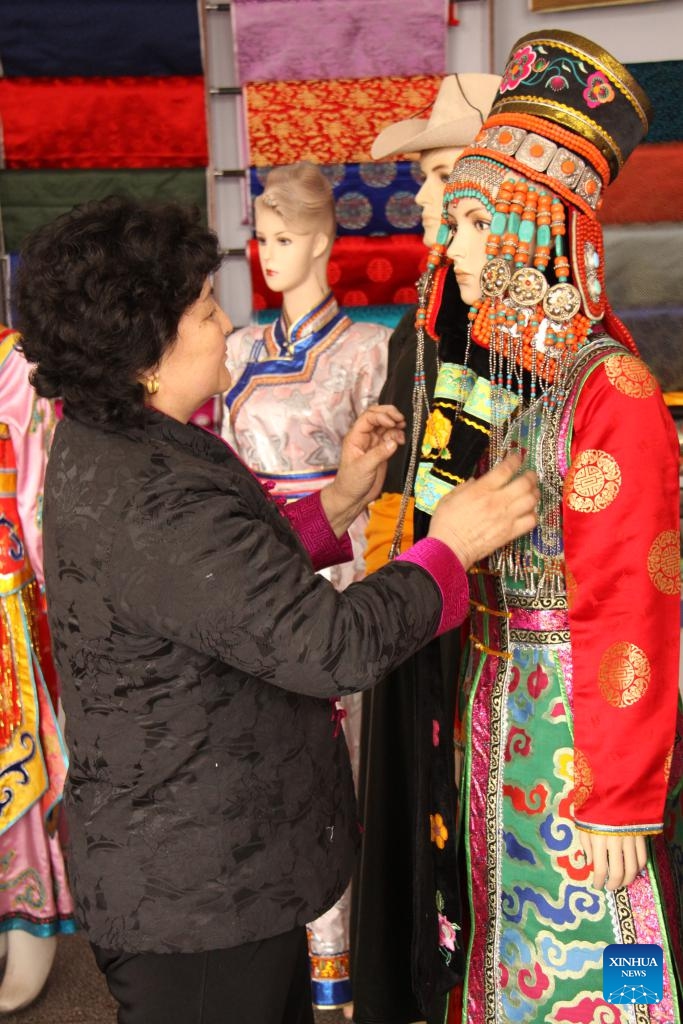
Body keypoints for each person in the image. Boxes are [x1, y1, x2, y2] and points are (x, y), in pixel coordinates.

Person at [13, 194, 538, 1024]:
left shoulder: (115, 441)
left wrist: (334, 503)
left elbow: (212, 590)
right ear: (146, 349)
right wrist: (451, 549)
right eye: (206, 308)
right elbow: (329, 645)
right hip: (196, 895)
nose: (227, 324)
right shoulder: (150, 492)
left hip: (197, 871)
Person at [406, 29, 682, 1022]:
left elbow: (635, 604)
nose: (456, 249)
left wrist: (619, 789)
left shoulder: (611, 391)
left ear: (531, 233)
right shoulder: (500, 375)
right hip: (498, 698)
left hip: (578, 729)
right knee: (503, 931)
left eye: (480, 227)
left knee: (608, 940)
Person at [221, 160, 391, 1014]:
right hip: (255, 566)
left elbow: (379, 484)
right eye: (262, 237)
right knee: (259, 759)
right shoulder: (237, 349)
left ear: (322, 240)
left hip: (335, 567)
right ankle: (273, 959)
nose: (267, 253)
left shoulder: (367, 350)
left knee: (339, 767)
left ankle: (341, 970)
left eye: (283, 237)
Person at [351, 72, 501, 1024]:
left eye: (451, 172)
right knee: (414, 817)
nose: (431, 198)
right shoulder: (422, 319)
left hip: (499, 628)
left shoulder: (533, 329)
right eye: (427, 177)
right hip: (419, 604)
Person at [0, 324, 76, 1012]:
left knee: (13, 769)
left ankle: (26, 926)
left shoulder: (13, 364)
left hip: (0, 604)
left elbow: (35, 501)